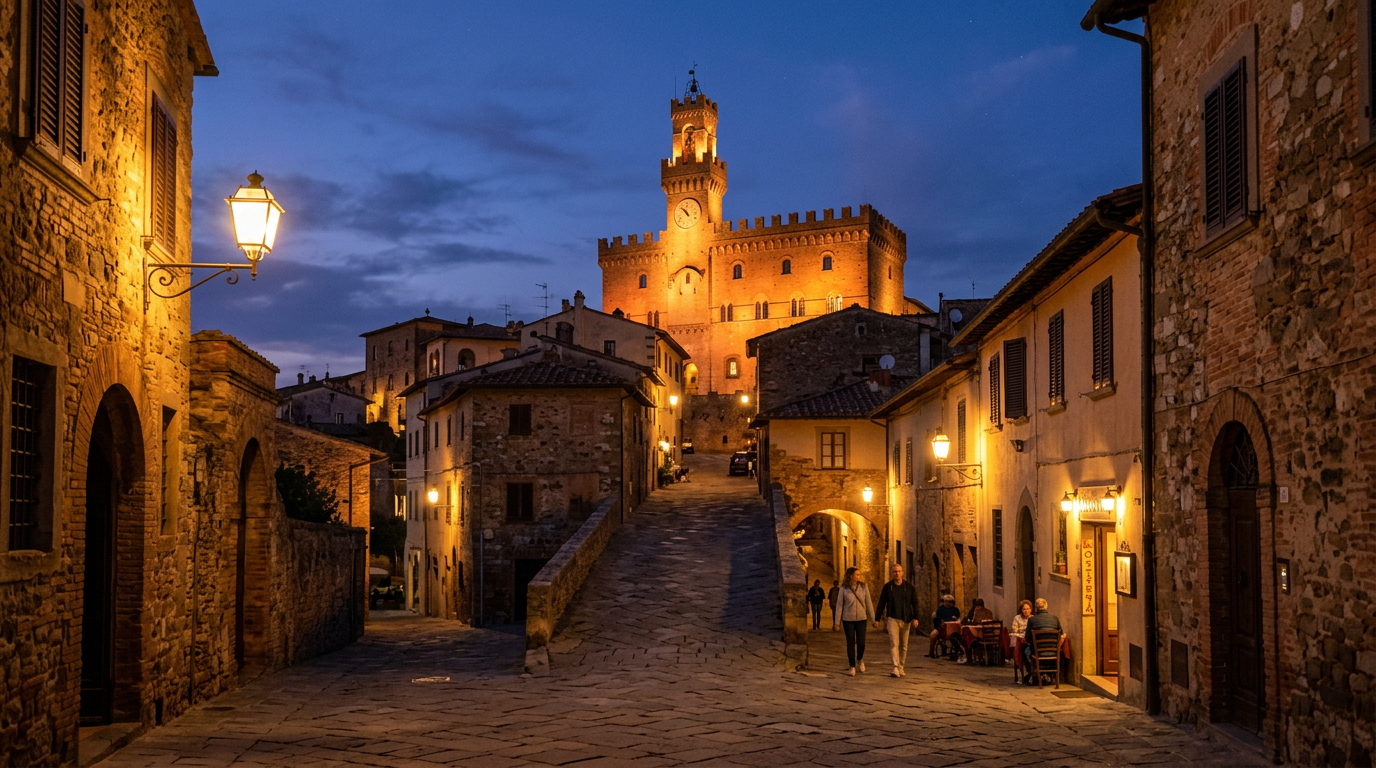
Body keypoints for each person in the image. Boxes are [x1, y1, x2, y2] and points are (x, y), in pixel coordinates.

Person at [873, 564, 920, 677]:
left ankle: (901, 666)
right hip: (892, 618)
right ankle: (895, 667)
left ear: (902, 573)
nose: (897, 573)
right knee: (894, 643)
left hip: (906, 619)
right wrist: (877, 619)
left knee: (904, 645)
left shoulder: (909, 587)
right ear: (892, 573)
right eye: (894, 571)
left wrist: (916, 618)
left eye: (899, 571)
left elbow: (915, 603)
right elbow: (881, 603)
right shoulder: (888, 587)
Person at [833, 567, 874, 676]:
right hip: (848, 619)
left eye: (859, 574)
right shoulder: (843, 589)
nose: (859, 576)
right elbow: (839, 605)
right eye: (857, 574)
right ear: (851, 576)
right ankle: (852, 666)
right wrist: (837, 622)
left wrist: (874, 619)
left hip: (862, 619)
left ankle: (860, 659)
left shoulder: (864, 587)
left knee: (861, 643)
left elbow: (868, 603)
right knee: (850, 642)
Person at [1022, 597, 1063, 684]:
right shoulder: (1055, 619)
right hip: (1054, 651)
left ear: (1036, 608)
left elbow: (1027, 638)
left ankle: (1033, 673)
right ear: (1046, 607)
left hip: (1038, 652)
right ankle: (1048, 673)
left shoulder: (1032, 620)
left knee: (1025, 651)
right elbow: (1061, 633)